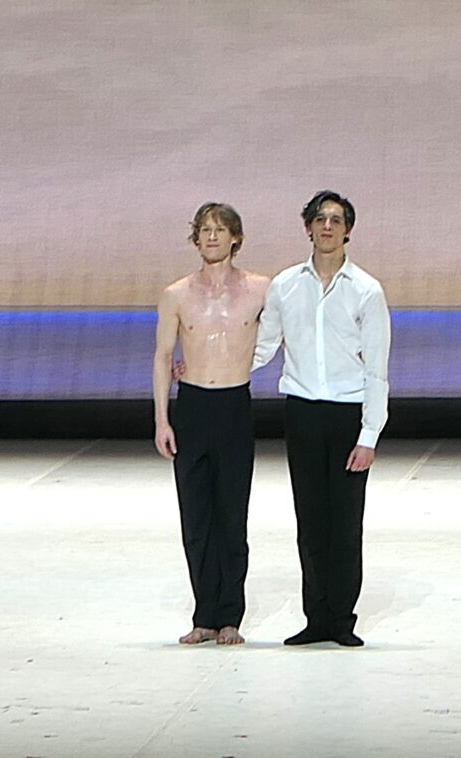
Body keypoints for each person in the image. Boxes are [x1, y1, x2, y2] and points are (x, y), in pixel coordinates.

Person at [253, 190, 391, 647]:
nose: (327, 226)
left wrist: (369, 434)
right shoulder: (285, 285)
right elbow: (262, 347)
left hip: (348, 413)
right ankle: (316, 617)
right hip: (302, 411)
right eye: (320, 219)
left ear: (348, 230)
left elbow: (377, 368)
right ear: (308, 227)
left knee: (345, 523)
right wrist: (205, 365)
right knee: (310, 520)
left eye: (335, 219)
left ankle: (342, 619)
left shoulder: (366, 290)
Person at [153, 202, 270, 645]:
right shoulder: (177, 294)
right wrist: (162, 419)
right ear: (196, 238)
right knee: (196, 516)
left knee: (232, 516)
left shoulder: (261, 289)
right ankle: (204, 614)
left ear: (236, 237)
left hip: (234, 406)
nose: (212, 236)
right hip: (193, 406)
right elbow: (163, 356)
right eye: (204, 230)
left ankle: (230, 617)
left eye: (220, 229)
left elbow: (284, 334)